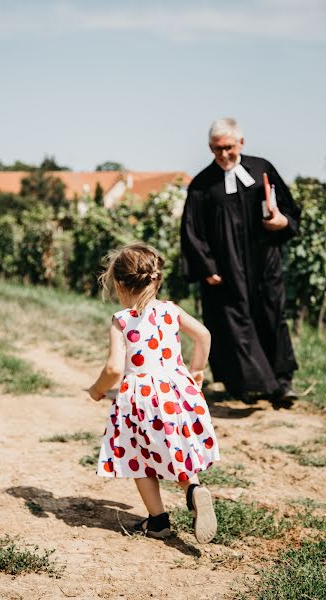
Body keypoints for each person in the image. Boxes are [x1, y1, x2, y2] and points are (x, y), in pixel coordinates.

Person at [88, 243, 219, 542]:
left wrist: (97, 390)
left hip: (141, 396)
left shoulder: (121, 320)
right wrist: (196, 371)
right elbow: (204, 335)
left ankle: (158, 521)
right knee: (176, 446)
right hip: (176, 389)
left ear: (119, 283)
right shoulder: (171, 310)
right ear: (156, 279)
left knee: (139, 456)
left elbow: (113, 369)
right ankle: (194, 490)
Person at [181, 118, 300, 404]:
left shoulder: (262, 170)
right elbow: (191, 231)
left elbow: (287, 210)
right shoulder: (201, 185)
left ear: (241, 143)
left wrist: (280, 221)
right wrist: (207, 268)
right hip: (226, 269)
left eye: (228, 148)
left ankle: (282, 383)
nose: (223, 155)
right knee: (232, 324)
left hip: (264, 263)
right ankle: (243, 384)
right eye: (216, 149)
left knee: (272, 316)